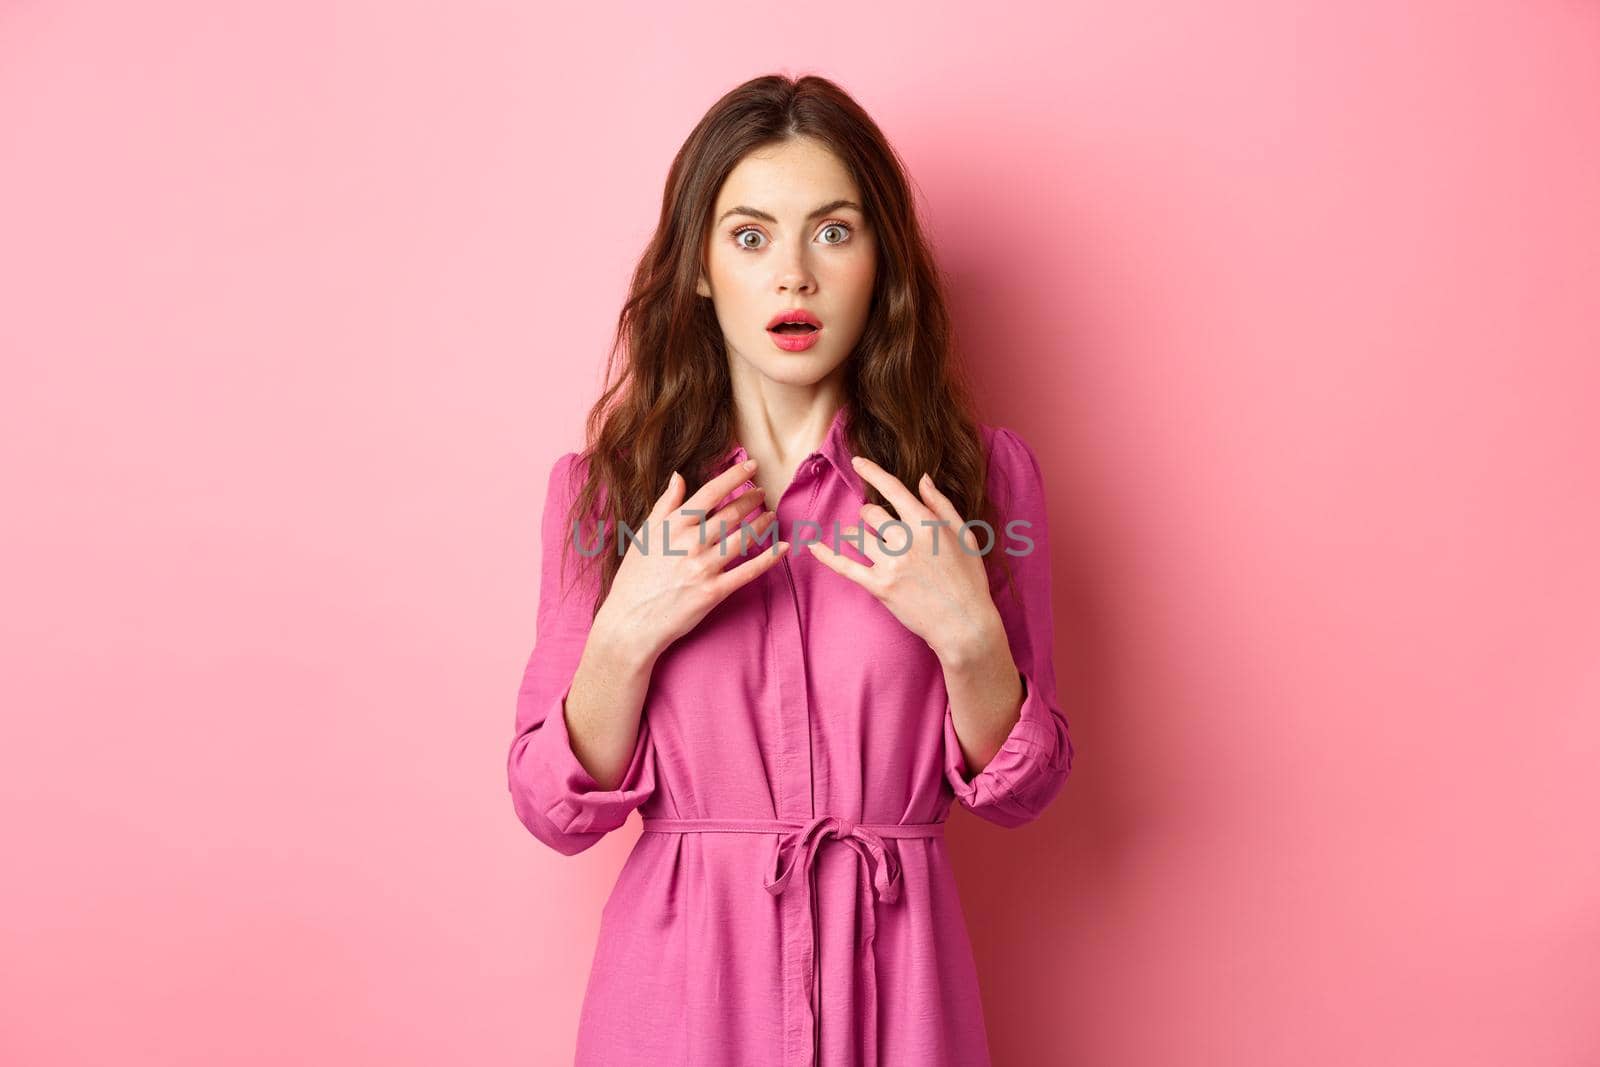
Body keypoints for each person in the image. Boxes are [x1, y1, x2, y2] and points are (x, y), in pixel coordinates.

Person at [506, 73, 1075, 1066]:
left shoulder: (975, 483)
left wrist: (968, 632)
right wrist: (628, 626)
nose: (793, 278)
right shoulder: (609, 497)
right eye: (751, 235)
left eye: (834, 231)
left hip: (900, 995)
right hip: (679, 1001)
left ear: (881, 260)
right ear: (697, 267)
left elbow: (1022, 787)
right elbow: (552, 803)